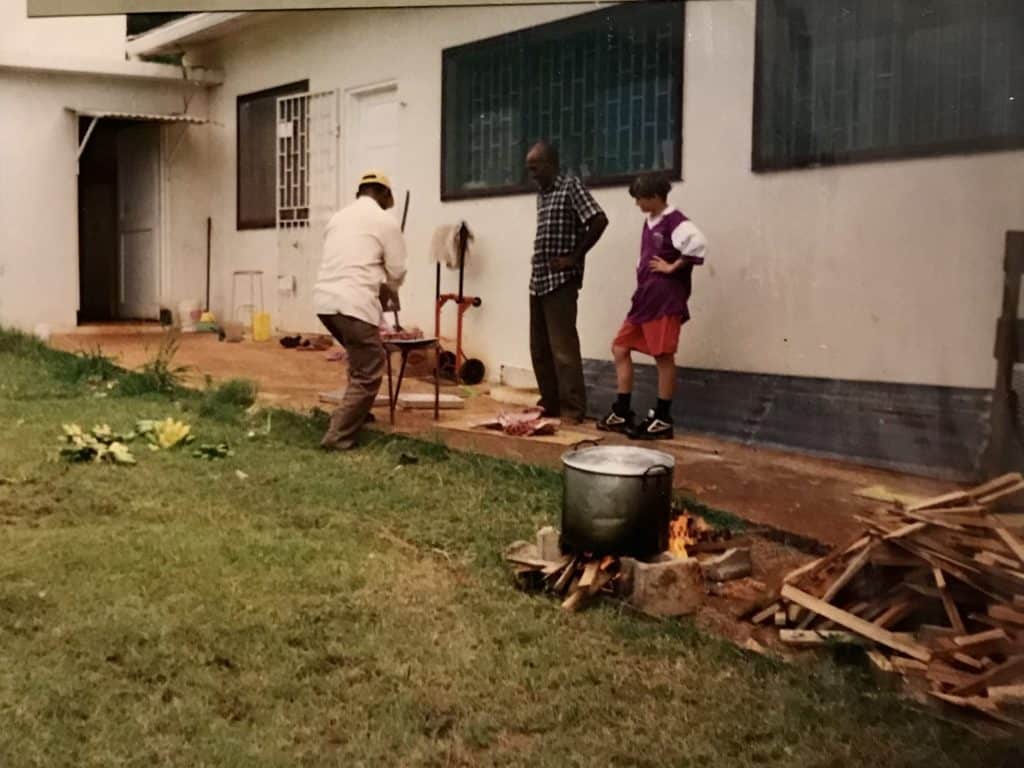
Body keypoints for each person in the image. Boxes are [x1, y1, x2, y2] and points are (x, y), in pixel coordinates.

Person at [597, 172, 707, 441]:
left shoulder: (674, 220)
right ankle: (622, 410)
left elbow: (698, 242)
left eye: (641, 199)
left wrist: (673, 266)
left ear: (656, 197)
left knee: (663, 356)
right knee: (620, 347)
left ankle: (662, 418)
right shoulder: (650, 220)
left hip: (664, 299)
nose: (637, 204)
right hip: (645, 298)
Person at [313, 170, 407, 451]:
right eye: (390, 196)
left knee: (359, 356)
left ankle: (359, 414)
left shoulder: (337, 218)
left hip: (325, 303)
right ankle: (338, 435)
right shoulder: (385, 221)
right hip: (353, 302)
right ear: (383, 194)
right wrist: (390, 289)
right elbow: (398, 269)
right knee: (370, 368)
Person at [526, 141, 608, 422]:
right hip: (538, 280)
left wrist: (575, 257)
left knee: (563, 348)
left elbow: (598, 220)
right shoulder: (543, 194)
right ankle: (550, 403)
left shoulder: (570, 186)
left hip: (560, 281)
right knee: (539, 348)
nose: (532, 174)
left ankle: (573, 410)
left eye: (535, 168)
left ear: (550, 164)